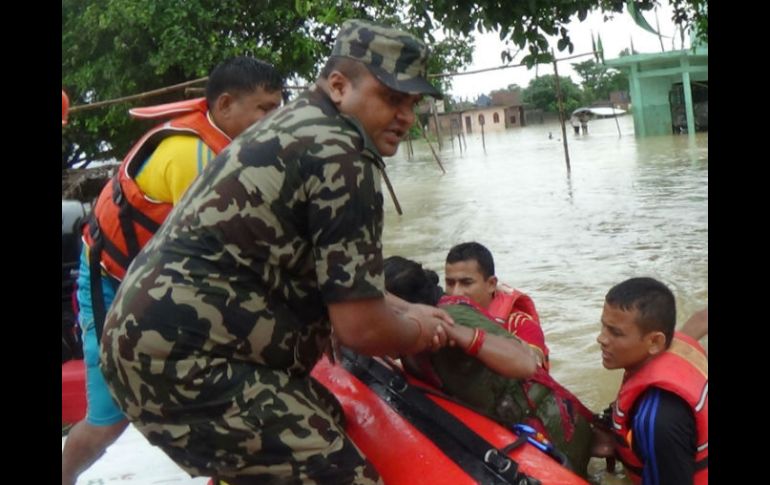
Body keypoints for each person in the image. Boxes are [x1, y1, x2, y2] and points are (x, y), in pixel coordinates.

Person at [99, 19, 452, 485]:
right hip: (184, 363)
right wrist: (421, 332)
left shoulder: (299, 123)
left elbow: (344, 286)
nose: (406, 116)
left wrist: (406, 309)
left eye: (412, 102)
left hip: (149, 347)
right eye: (391, 98)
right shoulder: (342, 158)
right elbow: (360, 328)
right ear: (340, 86)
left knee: (324, 416)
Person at [61, 57, 284, 485]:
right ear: (223, 106)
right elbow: (224, 256)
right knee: (109, 419)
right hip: (110, 283)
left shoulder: (226, 143)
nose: (273, 119)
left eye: (277, 107)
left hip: (157, 279)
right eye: (264, 108)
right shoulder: (193, 156)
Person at [384, 256, 596, 477]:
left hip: (549, 430)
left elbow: (526, 363)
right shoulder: (412, 332)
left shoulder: (451, 319)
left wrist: (458, 334)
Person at [594, 277, 708, 485]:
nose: (601, 339)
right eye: (604, 327)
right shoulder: (676, 345)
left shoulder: (656, 422)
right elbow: (703, 318)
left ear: (655, 341)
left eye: (615, 332)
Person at [444, 241, 549, 369]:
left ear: (491, 284)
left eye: (466, 283)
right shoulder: (440, 317)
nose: (456, 293)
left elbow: (533, 371)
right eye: (450, 283)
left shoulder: (522, 327)